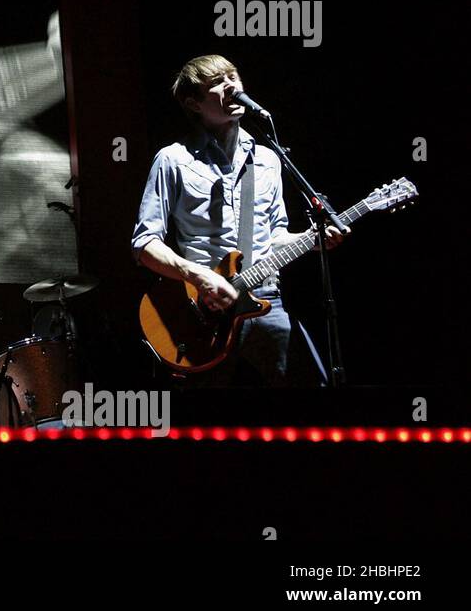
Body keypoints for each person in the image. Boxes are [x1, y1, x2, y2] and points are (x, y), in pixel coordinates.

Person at [130, 54, 345, 386]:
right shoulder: (173, 159)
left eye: (233, 76)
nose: (230, 84)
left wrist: (313, 240)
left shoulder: (269, 159)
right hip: (202, 309)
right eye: (216, 82)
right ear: (194, 103)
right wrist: (198, 274)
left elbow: (274, 238)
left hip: (266, 301)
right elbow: (144, 244)